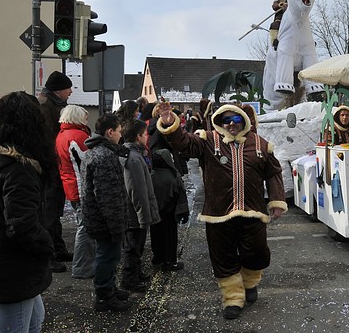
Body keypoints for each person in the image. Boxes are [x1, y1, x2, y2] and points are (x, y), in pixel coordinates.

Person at [156, 103, 287, 320]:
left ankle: (250, 282)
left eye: (236, 120)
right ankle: (233, 298)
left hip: (253, 212)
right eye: (226, 120)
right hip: (218, 214)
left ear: (244, 121)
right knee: (223, 258)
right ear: (219, 121)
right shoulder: (207, 140)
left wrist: (276, 201)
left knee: (257, 253)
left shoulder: (260, 144)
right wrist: (171, 124)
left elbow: (273, 172)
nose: (231, 124)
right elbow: (183, 143)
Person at [0, 92, 56, 333]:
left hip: (5, 264)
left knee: (36, 319)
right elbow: (22, 226)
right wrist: (47, 245)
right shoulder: (19, 170)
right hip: (14, 269)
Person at [80, 114, 132, 312]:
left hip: (99, 217)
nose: (121, 136)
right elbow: (107, 197)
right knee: (107, 256)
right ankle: (104, 296)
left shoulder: (97, 152)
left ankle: (109, 288)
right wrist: (117, 225)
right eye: (119, 131)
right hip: (105, 220)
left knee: (110, 256)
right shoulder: (104, 156)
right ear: (110, 132)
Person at [39, 70, 74, 273]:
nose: (70, 92)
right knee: (49, 212)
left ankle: (58, 249)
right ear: (58, 90)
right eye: (68, 88)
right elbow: (47, 137)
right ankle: (50, 255)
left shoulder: (54, 104)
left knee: (54, 211)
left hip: (54, 164)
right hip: (49, 166)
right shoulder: (46, 106)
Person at [120, 119, 161, 292]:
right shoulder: (134, 159)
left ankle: (136, 274)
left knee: (138, 245)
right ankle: (129, 280)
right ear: (138, 136)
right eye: (145, 134)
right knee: (133, 246)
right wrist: (143, 216)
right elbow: (137, 190)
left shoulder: (135, 154)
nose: (147, 137)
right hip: (134, 214)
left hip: (135, 212)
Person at [55, 105, 96, 279]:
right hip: (81, 187)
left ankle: (83, 266)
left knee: (84, 226)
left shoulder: (62, 134)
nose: (87, 120)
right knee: (85, 228)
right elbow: (90, 161)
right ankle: (82, 268)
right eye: (85, 117)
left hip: (71, 185)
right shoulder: (78, 136)